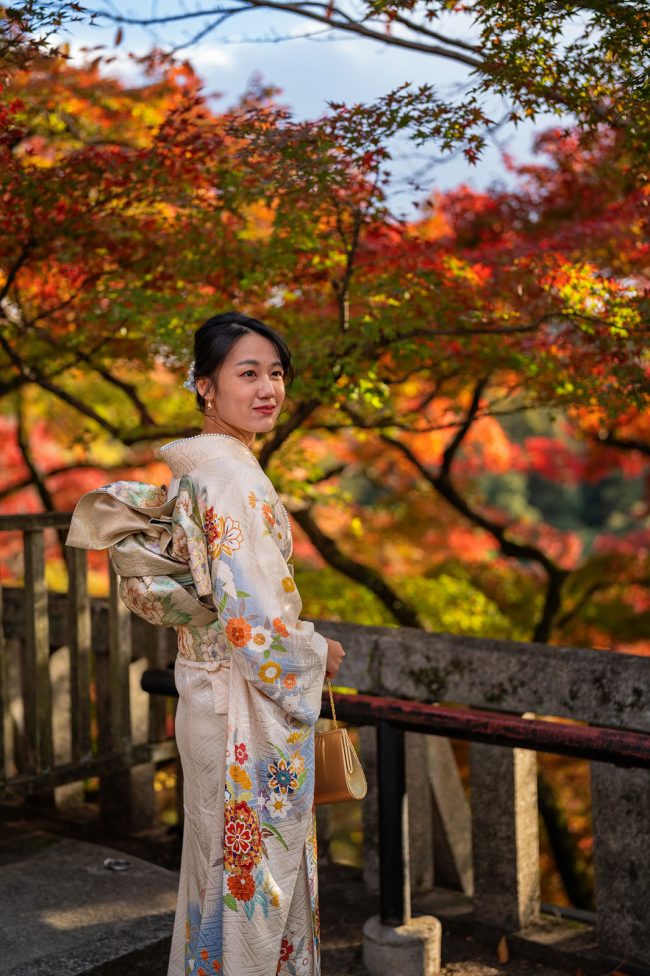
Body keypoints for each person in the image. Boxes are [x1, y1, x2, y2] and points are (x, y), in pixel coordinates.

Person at [66, 311, 345, 976]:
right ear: (206, 387)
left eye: (275, 373)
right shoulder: (231, 478)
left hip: (207, 692)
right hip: (237, 700)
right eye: (247, 373)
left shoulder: (203, 471)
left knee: (217, 870)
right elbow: (254, 622)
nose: (268, 388)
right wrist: (315, 652)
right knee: (254, 883)